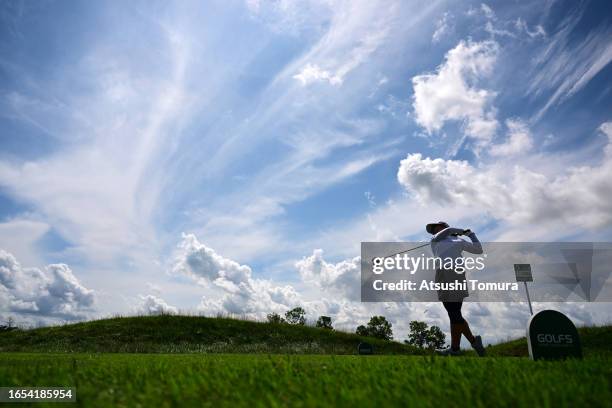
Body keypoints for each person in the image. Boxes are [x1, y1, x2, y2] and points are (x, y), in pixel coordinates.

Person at [426, 221, 486, 357]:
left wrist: (471, 235)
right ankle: (467, 344)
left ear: (444, 227)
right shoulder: (434, 240)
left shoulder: (458, 240)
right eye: (433, 229)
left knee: (454, 313)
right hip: (442, 274)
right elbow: (449, 230)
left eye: (437, 227)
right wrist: (461, 231)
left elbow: (478, 249)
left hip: (456, 273)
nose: (435, 230)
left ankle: (457, 348)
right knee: (454, 313)